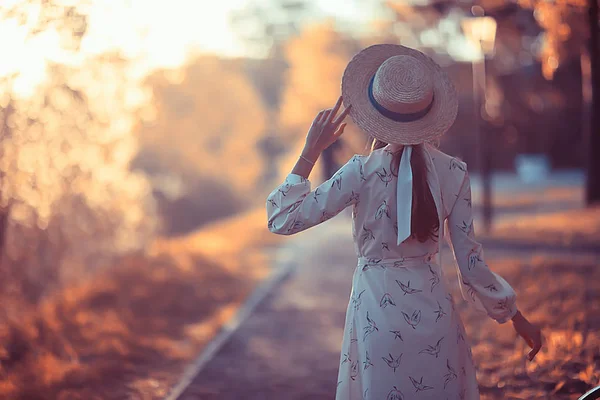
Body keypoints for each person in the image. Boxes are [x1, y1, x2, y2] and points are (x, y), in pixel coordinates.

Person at [265, 44, 542, 400]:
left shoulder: (359, 172)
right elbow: (471, 266)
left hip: (376, 319)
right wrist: (517, 318)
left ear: (375, 111)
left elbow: (282, 218)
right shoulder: (453, 172)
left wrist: (310, 152)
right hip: (435, 319)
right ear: (429, 111)